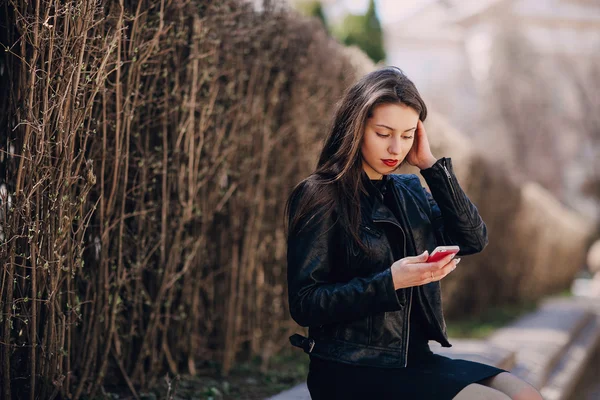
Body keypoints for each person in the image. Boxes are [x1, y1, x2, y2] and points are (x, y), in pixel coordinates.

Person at [285, 67, 543, 400]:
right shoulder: (320, 194)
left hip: (414, 359)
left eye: (407, 135)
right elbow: (305, 303)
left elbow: (472, 240)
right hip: (351, 368)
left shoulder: (408, 190)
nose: (396, 147)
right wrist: (390, 281)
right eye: (383, 133)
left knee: (526, 394)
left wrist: (431, 167)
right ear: (356, 127)